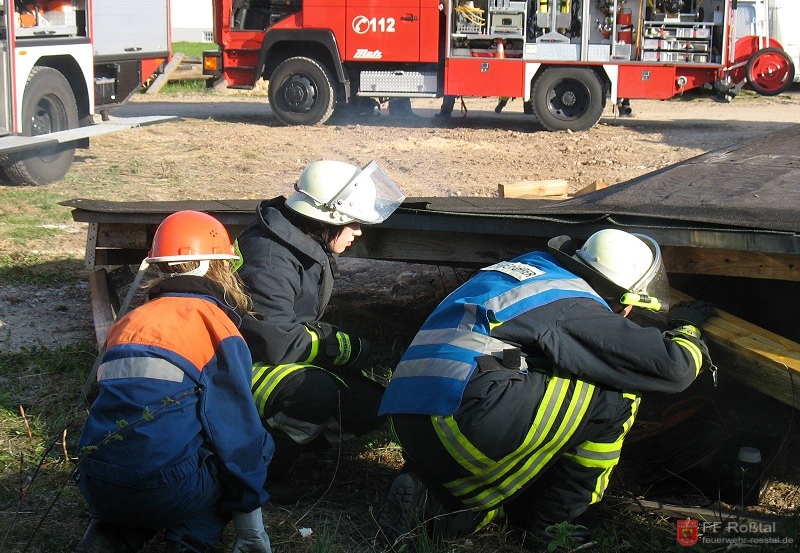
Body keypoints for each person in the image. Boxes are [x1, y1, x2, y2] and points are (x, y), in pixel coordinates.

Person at [378, 228, 716, 545]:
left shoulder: (530, 271)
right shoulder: (575, 303)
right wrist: (688, 329)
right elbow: (674, 367)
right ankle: (559, 526)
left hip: (411, 416)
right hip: (462, 420)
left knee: (544, 383)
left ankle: (433, 507)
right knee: (616, 392)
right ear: (620, 297)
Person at [75, 211, 274, 553]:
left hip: (96, 482)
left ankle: (111, 536)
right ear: (220, 266)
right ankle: (189, 541)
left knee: (143, 460)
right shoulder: (215, 326)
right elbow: (237, 435)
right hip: (165, 490)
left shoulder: (128, 322)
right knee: (252, 447)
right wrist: (251, 527)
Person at [235, 159, 405, 502]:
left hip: (265, 353)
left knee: (370, 406)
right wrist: (341, 346)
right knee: (315, 392)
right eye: (354, 223)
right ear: (327, 218)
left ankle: (291, 443)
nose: (359, 232)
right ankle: (258, 472)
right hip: (236, 367)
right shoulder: (269, 260)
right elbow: (278, 342)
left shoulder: (297, 241)